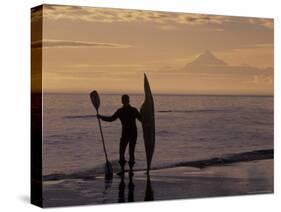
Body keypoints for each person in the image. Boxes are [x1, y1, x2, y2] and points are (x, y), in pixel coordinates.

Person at [97, 94, 141, 176]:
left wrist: (101, 117)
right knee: (127, 152)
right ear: (128, 100)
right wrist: (101, 117)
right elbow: (141, 119)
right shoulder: (131, 110)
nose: (124, 101)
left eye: (124, 99)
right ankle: (128, 170)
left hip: (128, 133)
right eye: (124, 99)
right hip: (131, 133)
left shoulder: (123, 111)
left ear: (123, 101)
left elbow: (111, 119)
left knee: (125, 152)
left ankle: (125, 170)